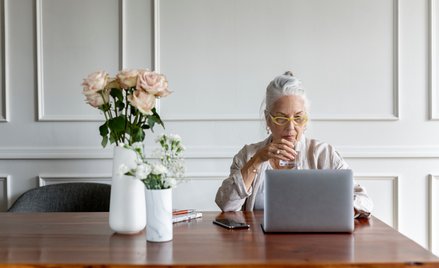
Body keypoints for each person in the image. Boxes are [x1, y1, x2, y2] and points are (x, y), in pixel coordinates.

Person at [215, 71, 373, 218]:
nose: (291, 128)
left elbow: (364, 201)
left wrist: (341, 209)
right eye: (281, 118)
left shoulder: (324, 154)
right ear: (267, 119)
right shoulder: (249, 155)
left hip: (311, 244)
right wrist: (257, 160)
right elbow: (226, 204)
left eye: (298, 118)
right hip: (259, 244)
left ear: (306, 120)